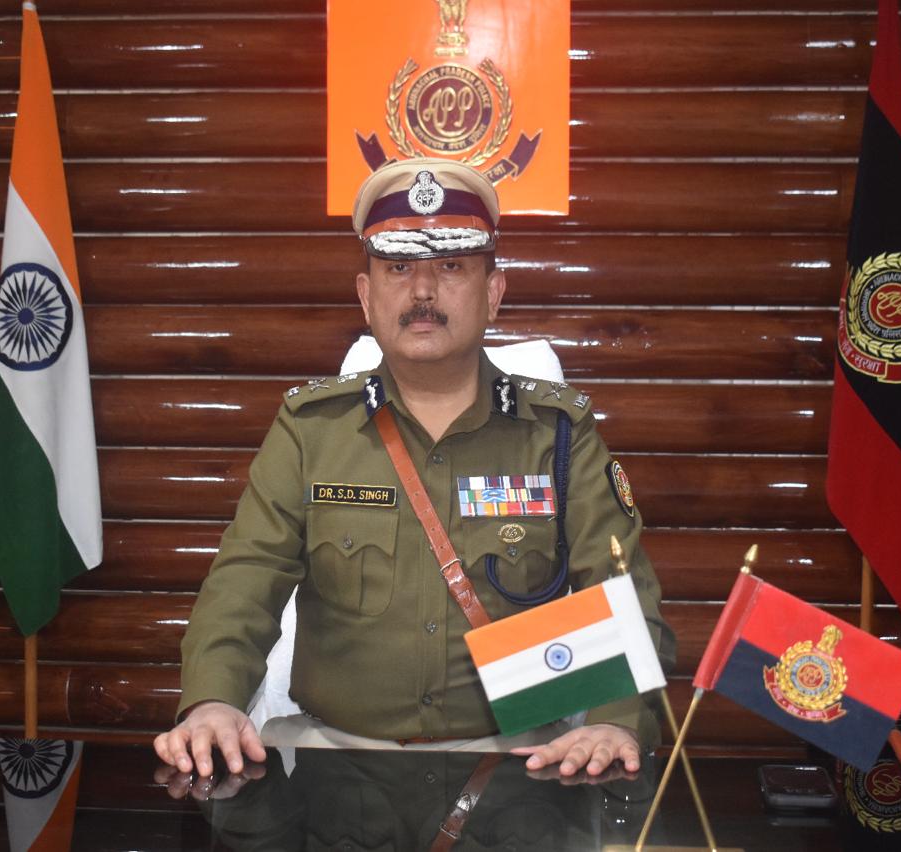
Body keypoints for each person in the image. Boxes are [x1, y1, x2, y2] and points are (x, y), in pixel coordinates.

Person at [154, 157, 675, 781]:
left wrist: (616, 720)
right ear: (365, 294)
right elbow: (246, 579)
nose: (422, 291)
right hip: (336, 760)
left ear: (493, 293)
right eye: (398, 268)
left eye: (451, 267)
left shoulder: (557, 435)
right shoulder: (310, 431)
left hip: (518, 760)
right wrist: (213, 701)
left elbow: (621, 591)